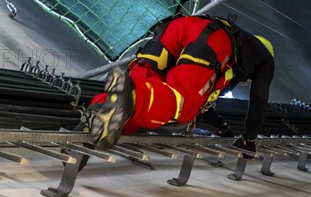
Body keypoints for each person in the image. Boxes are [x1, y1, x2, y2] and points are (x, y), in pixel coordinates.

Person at [89, 14, 274, 154]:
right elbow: (259, 101)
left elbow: (205, 102)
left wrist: (220, 126)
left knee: (142, 81)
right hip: (213, 40)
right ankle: (134, 98)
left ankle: (98, 110)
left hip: (180, 25)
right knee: (183, 104)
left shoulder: (245, 45)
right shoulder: (265, 60)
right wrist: (249, 140)